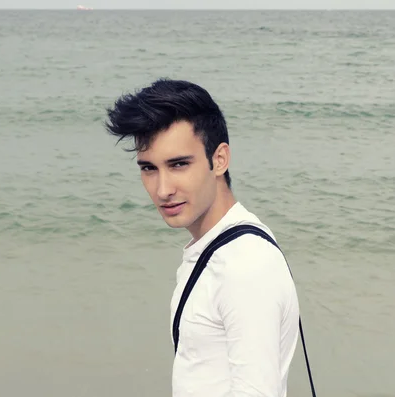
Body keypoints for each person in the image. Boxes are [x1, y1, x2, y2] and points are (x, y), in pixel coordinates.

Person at [105, 78, 300, 397]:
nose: (163, 189)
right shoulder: (219, 249)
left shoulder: (245, 265)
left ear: (219, 159)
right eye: (149, 169)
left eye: (179, 164)